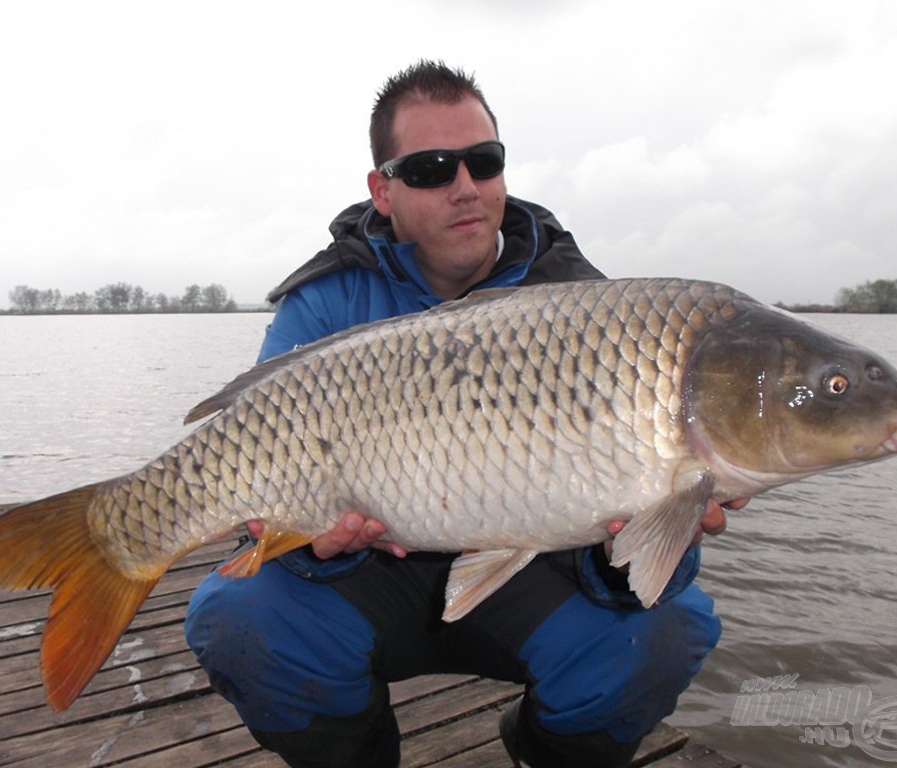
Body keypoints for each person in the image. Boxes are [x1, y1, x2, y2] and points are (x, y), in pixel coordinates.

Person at [185, 60, 742, 768]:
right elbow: (251, 495)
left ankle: (544, 750)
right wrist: (311, 545)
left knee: (668, 631)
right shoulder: (325, 304)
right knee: (239, 619)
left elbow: (639, 562)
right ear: (382, 190)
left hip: (535, 570)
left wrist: (632, 542)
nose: (465, 187)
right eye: (430, 169)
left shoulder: (583, 306)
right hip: (367, 575)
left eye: (484, 161)